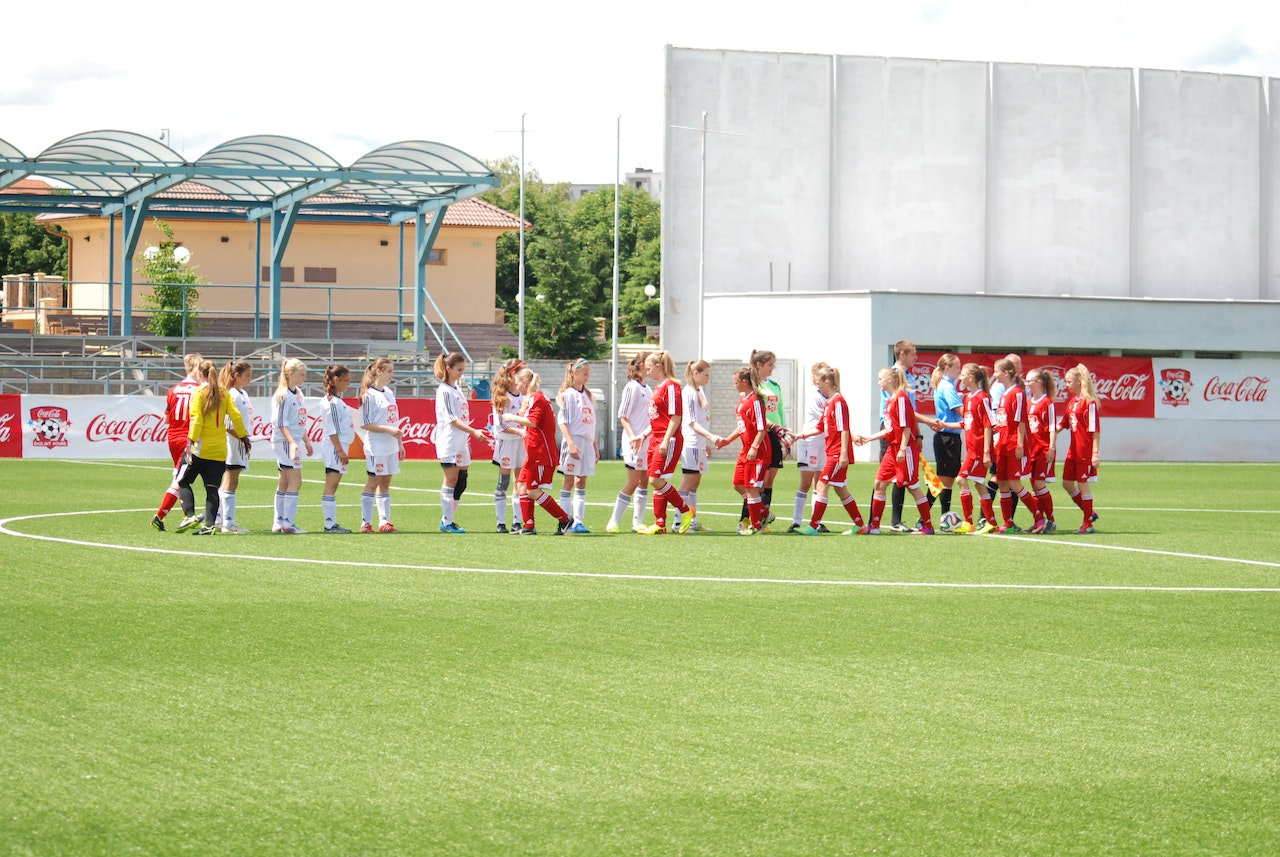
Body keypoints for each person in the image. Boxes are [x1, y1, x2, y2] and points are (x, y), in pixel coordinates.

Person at [860, 367, 935, 535]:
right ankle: (874, 526)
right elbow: (890, 430)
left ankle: (928, 526)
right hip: (892, 449)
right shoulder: (889, 401)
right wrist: (869, 438)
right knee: (879, 484)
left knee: (913, 487)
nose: (878, 382)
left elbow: (906, 426)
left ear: (890, 380)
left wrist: (902, 448)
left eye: (880, 379)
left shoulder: (901, 398)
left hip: (905, 449)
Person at [182, 360, 250, 536]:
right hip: (220, 449)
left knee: (183, 481)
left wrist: (190, 441)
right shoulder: (224, 393)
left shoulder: (199, 392)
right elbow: (235, 416)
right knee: (212, 488)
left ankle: (190, 515)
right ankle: (209, 526)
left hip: (201, 448)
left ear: (200, 374)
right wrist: (244, 437)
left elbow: (197, 419)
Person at [795, 366, 866, 535]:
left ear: (827, 382)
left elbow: (844, 429)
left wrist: (843, 453)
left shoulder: (838, 402)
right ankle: (860, 525)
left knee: (821, 484)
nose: (818, 386)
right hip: (832, 452)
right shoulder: (829, 402)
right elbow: (820, 427)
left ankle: (813, 526)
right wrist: (800, 435)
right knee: (840, 488)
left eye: (819, 383)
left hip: (837, 453)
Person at [506, 370, 572, 535]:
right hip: (533, 453)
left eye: (517, 383)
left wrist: (512, 418)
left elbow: (533, 422)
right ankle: (529, 525)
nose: (516, 386)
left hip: (541, 453)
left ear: (525, 383)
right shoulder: (534, 398)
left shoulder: (537, 398)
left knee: (533, 490)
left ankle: (564, 519)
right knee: (521, 486)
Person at [638, 350, 694, 535]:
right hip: (655, 438)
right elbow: (658, 418)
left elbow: (675, 416)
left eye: (648, 368)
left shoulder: (671, 386)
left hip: (667, 439)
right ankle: (660, 523)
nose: (646, 372)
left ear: (658, 367)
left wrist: (666, 440)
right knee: (657, 480)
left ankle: (685, 510)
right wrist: (644, 435)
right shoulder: (658, 387)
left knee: (655, 479)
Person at [434, 352, 488, 534]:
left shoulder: (456, 389)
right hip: (449, 441)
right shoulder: (445, 391)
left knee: (462, 481)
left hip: (461, 441)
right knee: (451, 480)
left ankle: (447, 520)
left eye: (463, 369)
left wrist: (467, 437)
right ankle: (447, 522)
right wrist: (473, 432)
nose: (461, 373)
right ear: (448, 369)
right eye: (459, 369)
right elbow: (452, 419)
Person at [991, 357, 1046, 534]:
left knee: (1015, 484)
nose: (994, 374)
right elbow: (1004, 421)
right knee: (1002, 483)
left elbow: (1021, 421)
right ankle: (1008, 523)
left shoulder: (1018, 393)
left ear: (1007, 373)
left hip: (1013, 444)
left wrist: (1020, 444)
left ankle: (1039, 517)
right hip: (1002, 445)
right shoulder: (1003, 395)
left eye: (997, 371)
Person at [151, 352, 203, 532]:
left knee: (180, 476)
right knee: (180, 479)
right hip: (189, 438)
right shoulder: (199, 390)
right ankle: (160, 516)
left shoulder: (173, 390)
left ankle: (187, 516)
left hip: (173, 437)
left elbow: (166, 418)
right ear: (197, 369)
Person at [715, 365, 770, 534]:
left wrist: (754, 447)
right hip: (746, 449)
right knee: (738, 484)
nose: (734, 385)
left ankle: (756, 525)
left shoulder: (755, 401)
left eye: (736, 382)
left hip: (758, 451)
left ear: (745, 382)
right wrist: (727, 440)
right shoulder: (742, 400)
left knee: (751, 488)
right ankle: (763, 512)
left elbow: (762, 428)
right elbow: (742, 427)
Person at [879, 340, 924, 532]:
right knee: (885, 478)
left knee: (902, 478)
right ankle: (878, 521)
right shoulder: (892, 376)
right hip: (893, 428)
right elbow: (902, 413)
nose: (916, 357)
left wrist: (918, 434)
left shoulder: (908, 377)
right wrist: (929, 421)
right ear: (902, 354)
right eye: (913, 354)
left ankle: (894, 521)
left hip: (906, 429)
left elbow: (910, 412)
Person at [606, 352, 652, 534]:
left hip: (646, 442)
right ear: (642, 364)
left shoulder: (648, 389)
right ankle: (614, 521)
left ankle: (637, 523)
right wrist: (633, 436)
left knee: (644, 481)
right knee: (633, 482)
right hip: (634, 443)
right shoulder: (632, 387)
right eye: (649, 362)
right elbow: (623, 416)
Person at [360, 357, 405, 533]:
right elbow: (365, 424)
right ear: (378, 371)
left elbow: (394, 420)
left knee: (385, 482)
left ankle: (384, 522)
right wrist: (388, 430)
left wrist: (399, 443)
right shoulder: (368, 395)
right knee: (373, 482)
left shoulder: (389, 392)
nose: (392, 375)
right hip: (376, 446)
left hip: (390, 445)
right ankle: (366, 523)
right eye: (389, 371)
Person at [677, 359, 721, 531]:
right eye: (706, 375)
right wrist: (711, 436)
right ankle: (679, 521)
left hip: (699, 443)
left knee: (695, 483)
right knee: (688, 482)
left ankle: (692, 520)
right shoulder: (689, 393)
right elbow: (692, 422)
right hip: (691, 442)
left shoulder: (699, 390)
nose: (708, 378)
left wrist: (705, 442)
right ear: (695, 373)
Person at [556, 359, 598, 534]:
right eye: (584, 373)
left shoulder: (588, 395)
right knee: (568, 481)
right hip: (574, 441)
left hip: (587, 443)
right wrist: (570, 444)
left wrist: (595, 446)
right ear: (575, 373)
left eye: (588, 373)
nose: (587, 376)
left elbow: (591, 423)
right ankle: (565, 520)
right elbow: (562, 422)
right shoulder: (569, 394)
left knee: (581, 481)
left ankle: (579, 522)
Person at [270, 357, 312, 534]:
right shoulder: (283, 395)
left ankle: (279, 522)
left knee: (284, 481)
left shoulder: (297, 394)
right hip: (285, 442)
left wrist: (306, 440)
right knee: (296, 481)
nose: (304, 378)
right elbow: (281, 423)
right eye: (301, 374)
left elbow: (299, 420)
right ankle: (287, 524)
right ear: (289, 374)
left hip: (291, 441)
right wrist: (292, 442)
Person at [748, 349, 789, 528]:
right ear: (759, 365)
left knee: (769, 480)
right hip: (762, 435)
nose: (773, 368)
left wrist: (785, 432)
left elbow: (779, 410)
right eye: (769, 365)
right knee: (759, 481)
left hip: (776, 435)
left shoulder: (774, 385)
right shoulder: (753, 386)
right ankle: (752, 519)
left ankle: (763, 520)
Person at [955, 363, 997, 535]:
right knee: (978, 483)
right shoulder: (967, 398)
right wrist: (944, 424)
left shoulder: (982, 398)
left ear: (971, 377)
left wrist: (987, 452)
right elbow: (966, 423)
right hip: (972, 450)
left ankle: (969, 522)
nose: (960, 378)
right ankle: (991, 522)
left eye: (962, 374)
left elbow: (989, 425)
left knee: (961, 479)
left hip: (979, 450)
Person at [1060, 363, 1101, 534]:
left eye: (1069, 381)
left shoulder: (1089, 403)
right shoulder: (1072, 403)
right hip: (1073, 450)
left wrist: (1095, 453)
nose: (1066, 385)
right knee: (1067, 483)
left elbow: (1095, 429)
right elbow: (1063, 423)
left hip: (1084, 450)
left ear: (1079, 381)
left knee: (1083, 484)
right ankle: (1089, 512)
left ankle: (1088, 523)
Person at [789, 361, 830, 533]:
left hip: (824, 443)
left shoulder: (831, 396)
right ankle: (796, 521)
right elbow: (826, 420)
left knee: (820, 484)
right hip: (810, 442)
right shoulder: (815, 396)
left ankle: (816, 521)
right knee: (805, 483)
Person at [214, 360, 254, 534]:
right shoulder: (232, 395)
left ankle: (218, 519)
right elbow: (228, 424)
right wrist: (244, 439)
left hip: (239, 442)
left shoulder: (242, 393)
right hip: (233, 443)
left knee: (228, 481)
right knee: (231, 481)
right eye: (247, 375)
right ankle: (228, 523)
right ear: (236, 375)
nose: (250, 379)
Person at [490, 358, 528, 533]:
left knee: (520, 481)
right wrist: (519, 432)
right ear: (513, 373)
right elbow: (500, 425)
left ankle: (517, 521)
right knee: (503, 482)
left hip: (521, 442)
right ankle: (500, 522)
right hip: (506, 442)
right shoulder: (502, 396)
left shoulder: (524, 395)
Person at [319, 365, 356, 534]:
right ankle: (329, 524)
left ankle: (331, 523)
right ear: (336, 380)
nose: (348, 383)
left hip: (338, 445)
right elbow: (332, 429)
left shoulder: (337, 401)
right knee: (331, 484)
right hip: (335, 447)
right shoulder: (332, 403)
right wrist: (340, 450)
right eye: (345, 380)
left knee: (333, 484)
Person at [927, 353, 964, 518]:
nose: (959, 370)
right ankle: (924, 516)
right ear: (947, 368)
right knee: (942, 479)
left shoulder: (945, 384)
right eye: (957, 367)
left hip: (949, 437)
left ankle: (945, 516)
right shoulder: (947, 386)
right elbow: (958, 409)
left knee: (947, 479)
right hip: (947, 437)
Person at [1025, 367, 1059, 534]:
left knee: (1039, 484)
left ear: (1039, 382)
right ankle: (1039, 521)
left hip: (1043, 449)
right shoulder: (1028, 402)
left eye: (1029, 381)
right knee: (1034, 485)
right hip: (1031, 450)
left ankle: (1051, 520)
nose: (1027, 384)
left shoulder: (1047, 403)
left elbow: (1052, 427)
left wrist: (1051, 447)